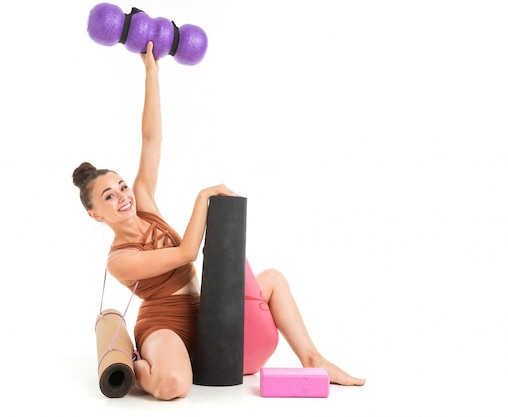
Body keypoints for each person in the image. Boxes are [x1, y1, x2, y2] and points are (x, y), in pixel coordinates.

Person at [73, 41, 365, 401]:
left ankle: (313, 358)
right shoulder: (119, 260)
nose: (123, 196)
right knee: (172, 386)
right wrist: (202, 197)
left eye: (120, 187)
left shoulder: (145, 203)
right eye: (109, 197)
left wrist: (151, 73)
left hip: (208, 314)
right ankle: (136, 366)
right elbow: (186, 254)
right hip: (166, 325)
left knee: (272, 279)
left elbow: (152, 139)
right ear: (95, 214)